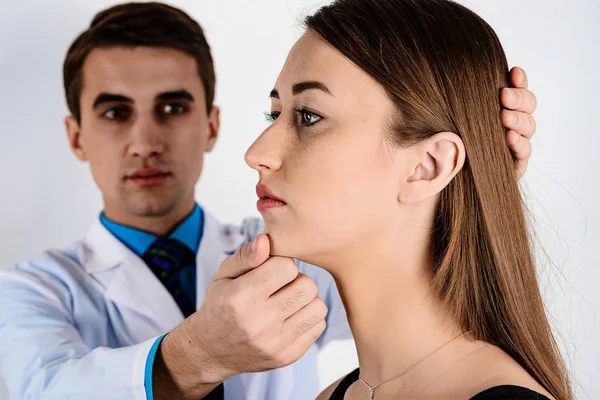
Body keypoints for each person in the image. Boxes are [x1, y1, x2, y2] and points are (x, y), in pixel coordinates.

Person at [0, 2, 538, 400]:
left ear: (210, 125)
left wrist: (478, 184)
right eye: (115, 112)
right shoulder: (31, 292)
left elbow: (408, 262)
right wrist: (195, 355)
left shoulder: (298, 249)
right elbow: (44, 388)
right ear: (75, 136)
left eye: (172, 108)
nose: (145, 142)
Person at [244, 0, 570, 399]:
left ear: (429, 166)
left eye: (308, 116)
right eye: (273, 114)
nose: (256, 154)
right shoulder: (335, 395)